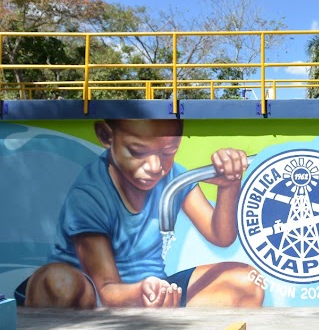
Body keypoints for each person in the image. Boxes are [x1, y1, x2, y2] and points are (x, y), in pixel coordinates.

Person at [15, 119, 263, 309]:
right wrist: (142, 292)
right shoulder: (91, 194)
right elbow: (107, 289)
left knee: (247, 281)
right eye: (138, 152)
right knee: (58, 283)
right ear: (106, 136)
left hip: (154, 292)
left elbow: (221, 236)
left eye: (168, 151)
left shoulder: (175, 176)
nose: (155, 167)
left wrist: (229, 185)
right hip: (93, 298)